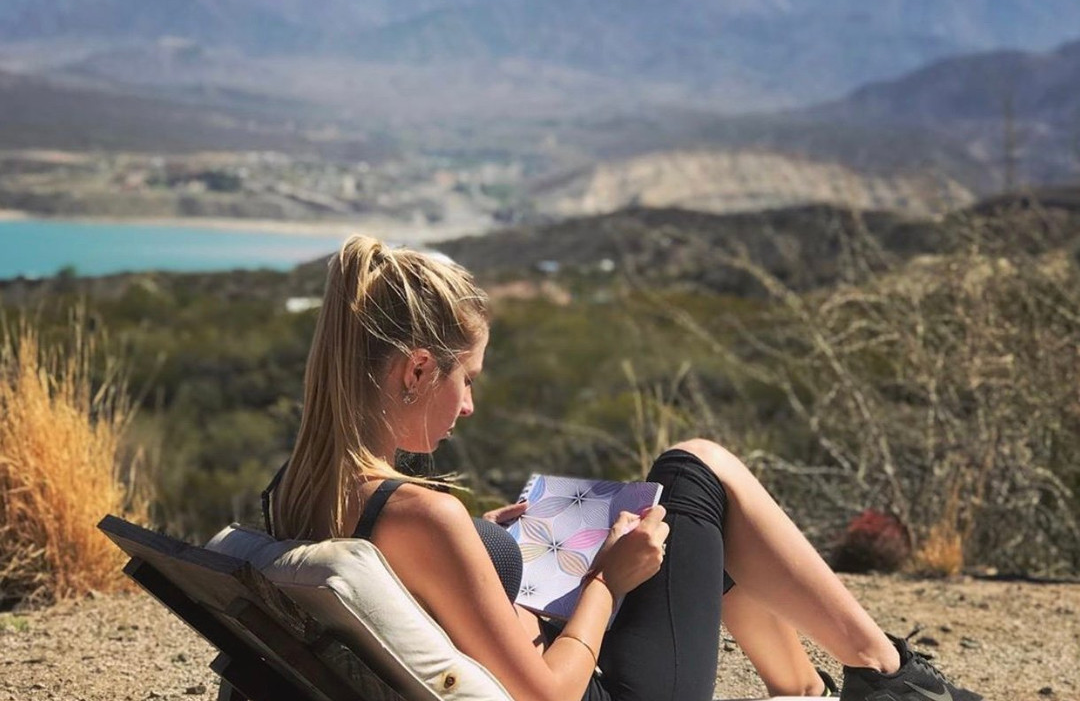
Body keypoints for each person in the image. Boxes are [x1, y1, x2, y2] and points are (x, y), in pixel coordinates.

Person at [268, 235, 982, 701]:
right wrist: (611, 578)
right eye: (467, 379)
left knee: (688, 505)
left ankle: (824, 690)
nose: (470, 406)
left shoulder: (297, 493)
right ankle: (887, 678)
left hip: (518, 649)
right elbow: (548, 697)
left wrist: (487, 553)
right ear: (417, 370)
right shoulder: (423, 516)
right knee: (695, 475)